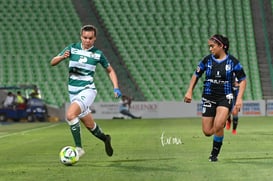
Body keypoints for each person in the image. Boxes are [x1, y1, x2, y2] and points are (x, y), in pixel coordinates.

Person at [50, 25, 122, 157]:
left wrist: (116, 87)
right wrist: (62, 58)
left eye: (90, 38)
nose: (87, 40)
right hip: (73, 93)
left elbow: (110, 70)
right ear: (81, 37)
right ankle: (105, 139)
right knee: (90, 125)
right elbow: (52, 62)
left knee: (70, 115)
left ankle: (79, 149)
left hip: (87, 90)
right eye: (85, 37)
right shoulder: (72, 48)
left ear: (94, 39)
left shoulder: (98, 54)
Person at [184, 34, 247, 162]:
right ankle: (220, 126)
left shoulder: (233, 62)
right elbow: (196, 75)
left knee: (218, 125)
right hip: (208, 96)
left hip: (225, 96)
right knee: (207, 132)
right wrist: (189, 90)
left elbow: (243, 80)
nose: (210, 49)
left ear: (221, 46)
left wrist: (239, 99)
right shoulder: (207, 60)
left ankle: (214, 154)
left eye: (212, 46)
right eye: (209, 47)